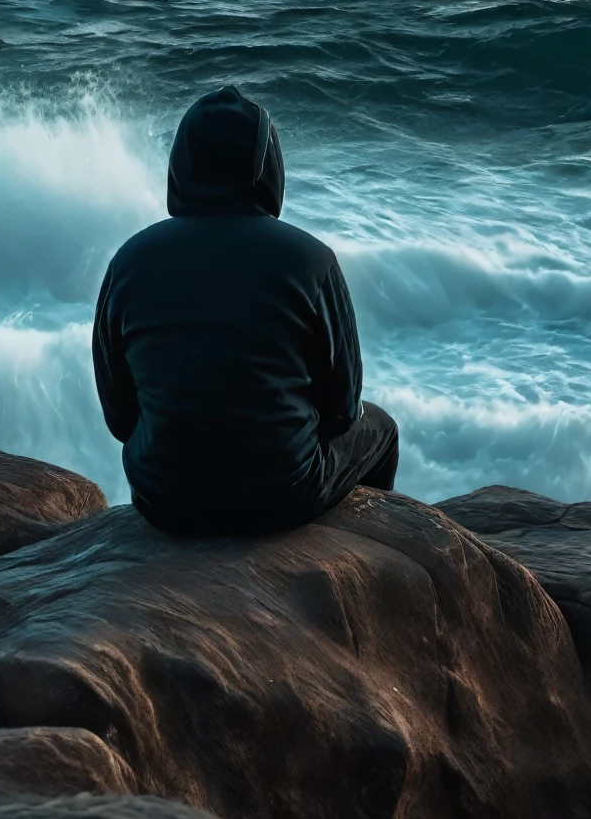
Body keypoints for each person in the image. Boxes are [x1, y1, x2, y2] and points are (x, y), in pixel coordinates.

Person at [92, 85, 398, 537]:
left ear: (180, 165)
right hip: (282, 498)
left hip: (163, 499)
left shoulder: (130, 260)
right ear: (267, 167)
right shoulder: (311, 260)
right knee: (382, 429)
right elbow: (344, 410)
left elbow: (119, 416)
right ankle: (372, 552)